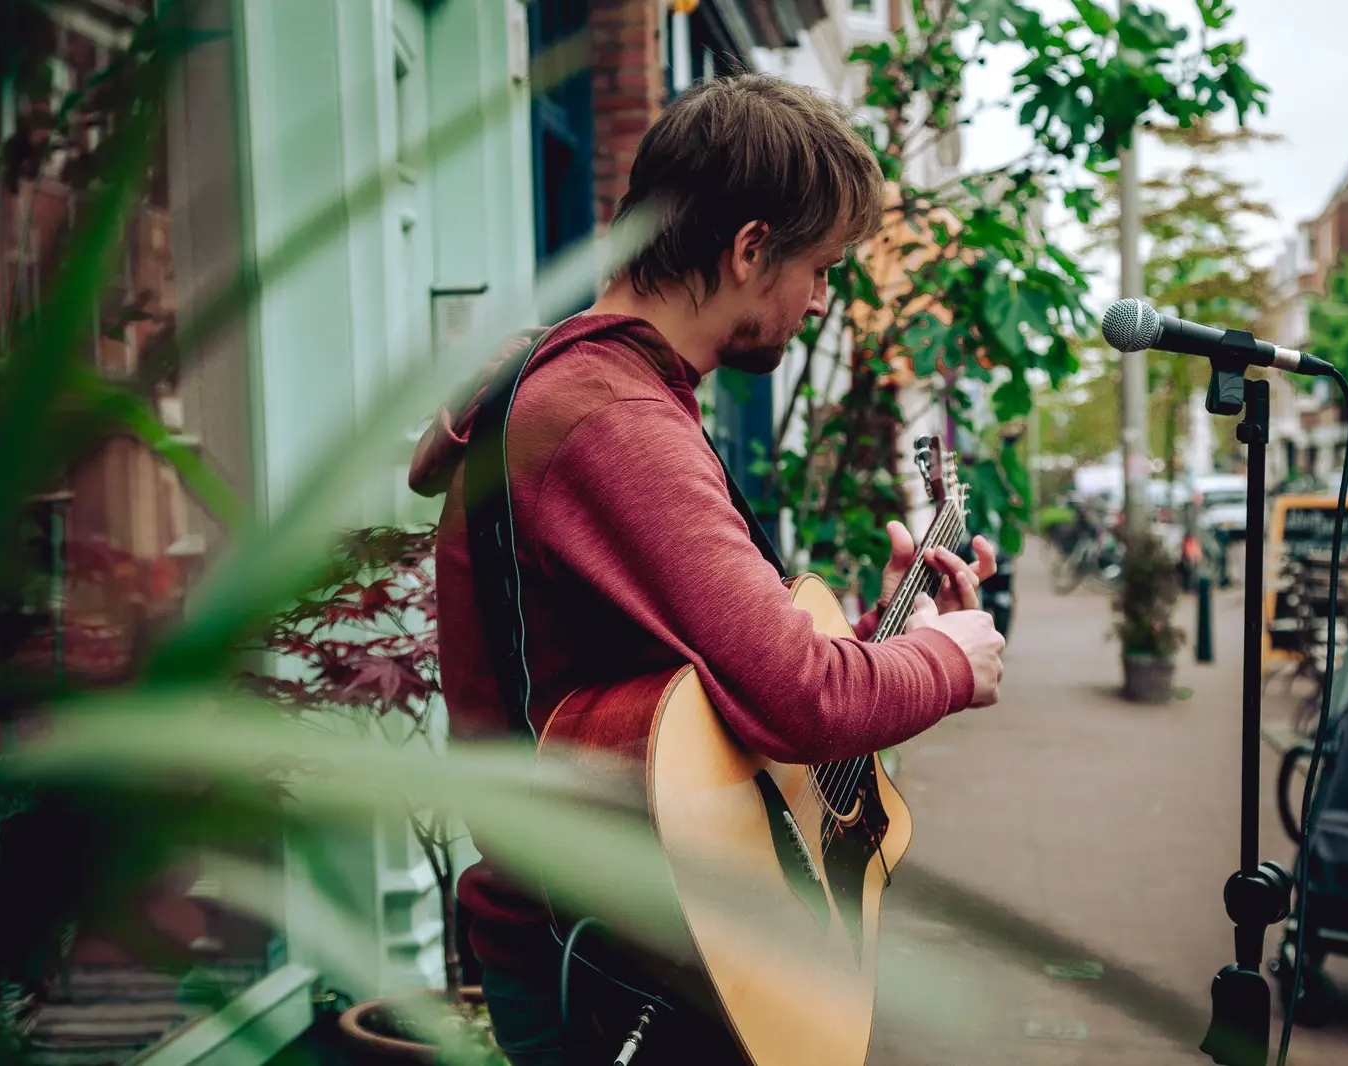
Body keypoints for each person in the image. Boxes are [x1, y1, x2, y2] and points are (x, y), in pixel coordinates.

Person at [409, 73, 1006, 1066]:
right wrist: (951, 661)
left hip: (644, 925)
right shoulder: (613, 419)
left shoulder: (610, 390)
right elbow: (793, 696)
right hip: (618, 967)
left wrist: (876, 642)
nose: (821, 299)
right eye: (818, 267)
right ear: (748, 249)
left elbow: (697, 696)